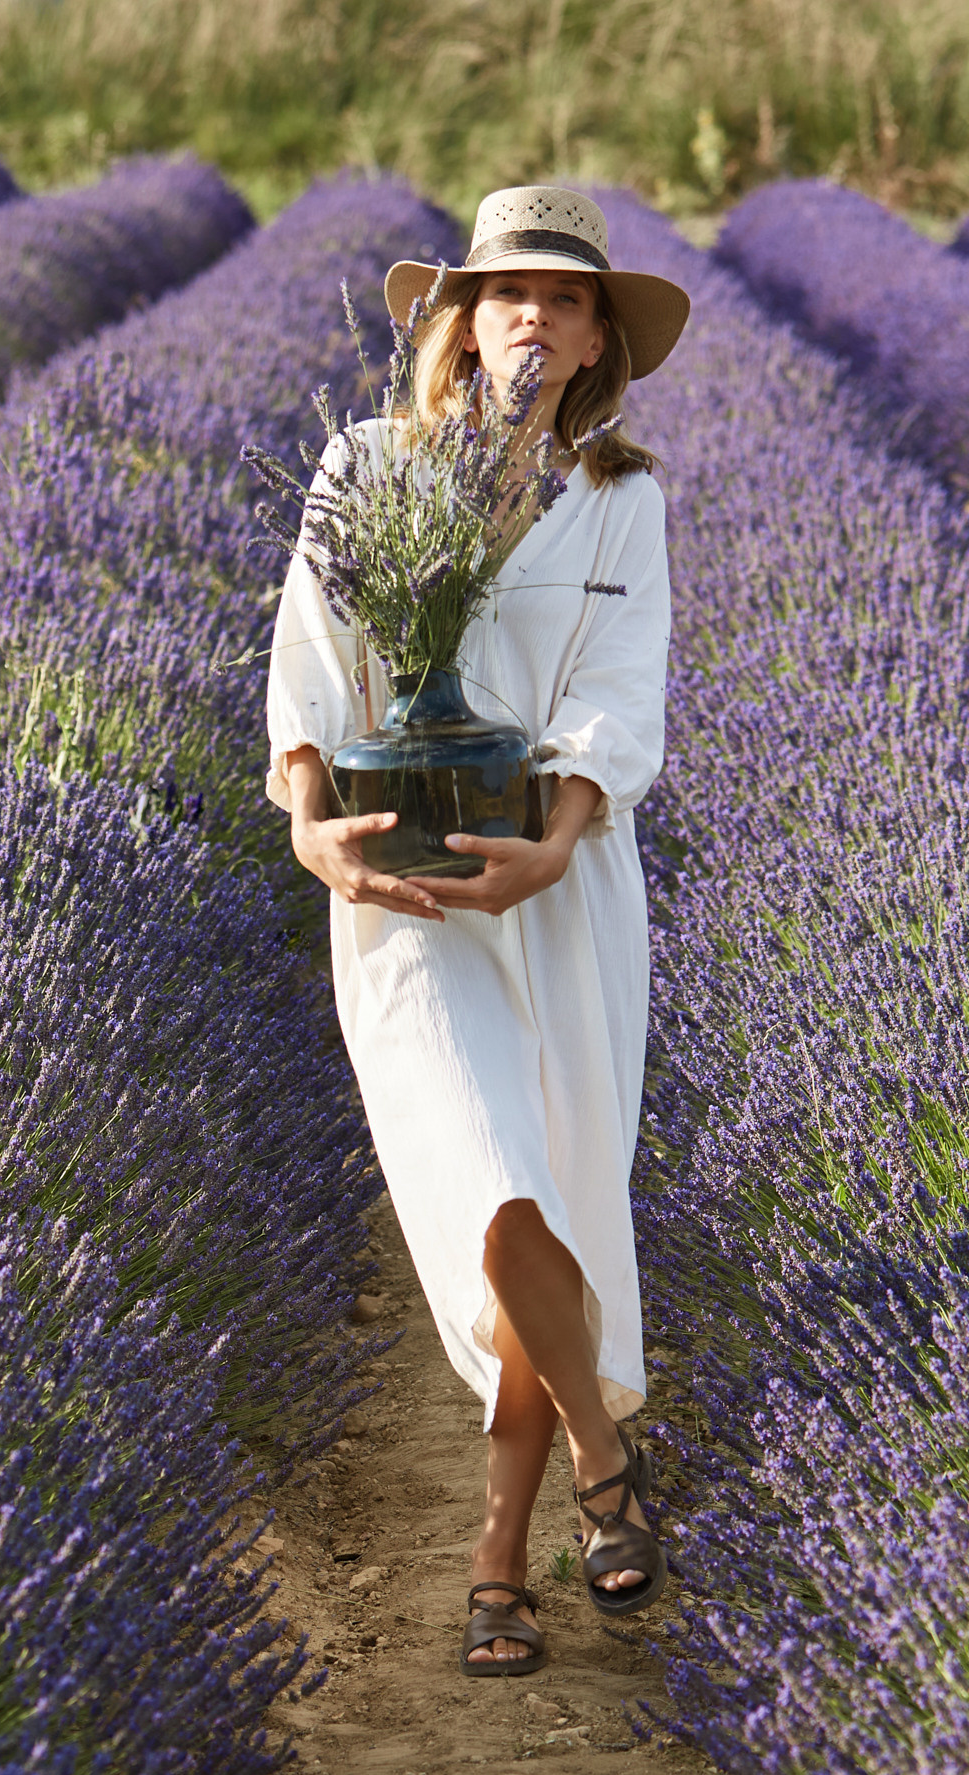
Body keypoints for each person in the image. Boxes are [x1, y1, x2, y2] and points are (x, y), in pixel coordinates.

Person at [265, 185, 690, 1676]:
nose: (532, 316)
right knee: (495, 1185)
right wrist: (311, 827)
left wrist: (558, 840)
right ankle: (607, 1469)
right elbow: (313, 668)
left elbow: (618, 693)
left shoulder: (620, 499)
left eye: (564, 300)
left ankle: (497, 1565)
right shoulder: (368, 465)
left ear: (593, 346)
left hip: (559, 891)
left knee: (557, 1206)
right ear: (456, 320)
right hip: (404, 889)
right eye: (504, 291)